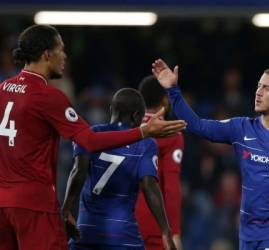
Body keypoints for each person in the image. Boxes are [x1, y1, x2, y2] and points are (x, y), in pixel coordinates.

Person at [0, 25, 186, 250]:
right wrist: (143, 132)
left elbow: (79, 169)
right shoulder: (47, 97)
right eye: (61, 49)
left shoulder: (2, 89)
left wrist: (68, 205)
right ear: (47, 54)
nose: (65, 56)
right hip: (34, 204)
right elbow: (88, 141)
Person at [152, 59, 269, 250]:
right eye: (258, 86)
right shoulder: (241, 127)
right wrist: (173, 90)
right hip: (247, 231)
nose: (259, 93)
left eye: (267, 88)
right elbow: (197, 126)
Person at [63, 88, 177, 250]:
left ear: (111, 110)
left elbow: (78, 172)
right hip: (123, 238)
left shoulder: (91, 134)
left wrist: (66, 210)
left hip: (85, 233)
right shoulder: (145, 143)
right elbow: (148, 185)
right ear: (136, 116)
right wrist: (165, 230)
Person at [135, 75, 184, 250]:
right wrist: (174, 231)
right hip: (153, 221)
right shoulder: (171, 133)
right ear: (165, 99)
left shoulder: (127, 129)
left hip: (122, 219)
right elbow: (170, 187)